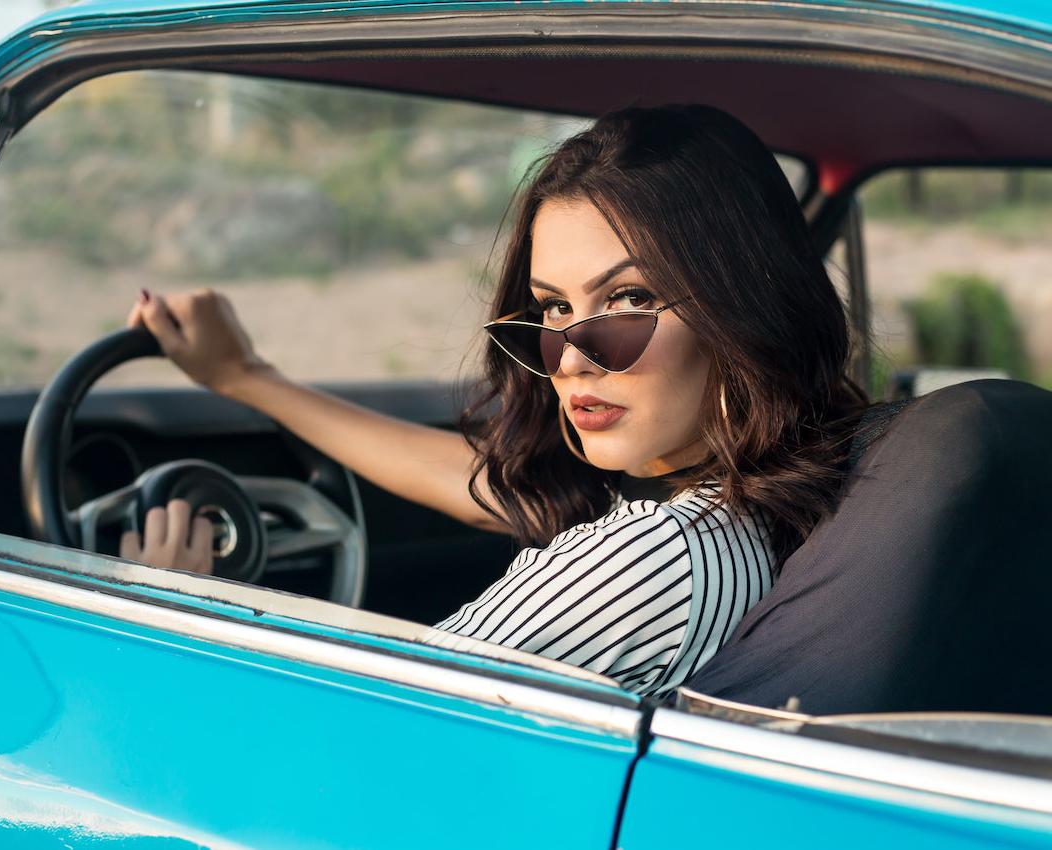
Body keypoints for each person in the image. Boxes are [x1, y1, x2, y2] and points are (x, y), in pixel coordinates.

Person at [121, 105, 866, 700]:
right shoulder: (774, 506)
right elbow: (497, 487)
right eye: (551, 309)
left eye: (628, 299)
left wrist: (171, 606)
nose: (571, 359)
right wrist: (246, 376)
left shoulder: (653, 560)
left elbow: (354, 730)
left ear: (745, 309)